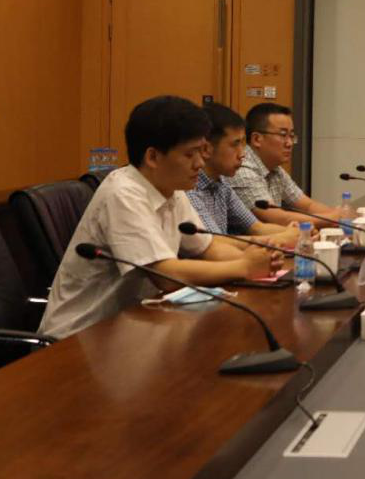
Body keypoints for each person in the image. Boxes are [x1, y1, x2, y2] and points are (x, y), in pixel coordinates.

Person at [39, 96, 280, 340]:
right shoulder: (123, 193)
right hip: (77, 338)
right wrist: (243, 266)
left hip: (131, 327)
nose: (199, 163)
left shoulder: (171, 188)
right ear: (153, 157)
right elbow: (165, 275)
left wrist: (261, 261)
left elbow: (208, 247)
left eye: (201, 151)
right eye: (190, 154)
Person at [188, 103, 298, 246]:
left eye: (242, 143)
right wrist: (281, 238)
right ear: (206, 149)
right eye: (235, 144)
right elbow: (214, 242)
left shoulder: (222, 184)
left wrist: (299, 232)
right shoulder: (189, 188)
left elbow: (256, 227)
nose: (242, 154)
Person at [231, 102, 343, 226]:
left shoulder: (275, 169)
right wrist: (335, 218)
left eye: (291, 136)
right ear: (257, 139)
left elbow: (307, 205)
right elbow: (276, 217)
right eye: (283, 135)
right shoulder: (242, 170)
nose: (289, 143)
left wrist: (342, 217)